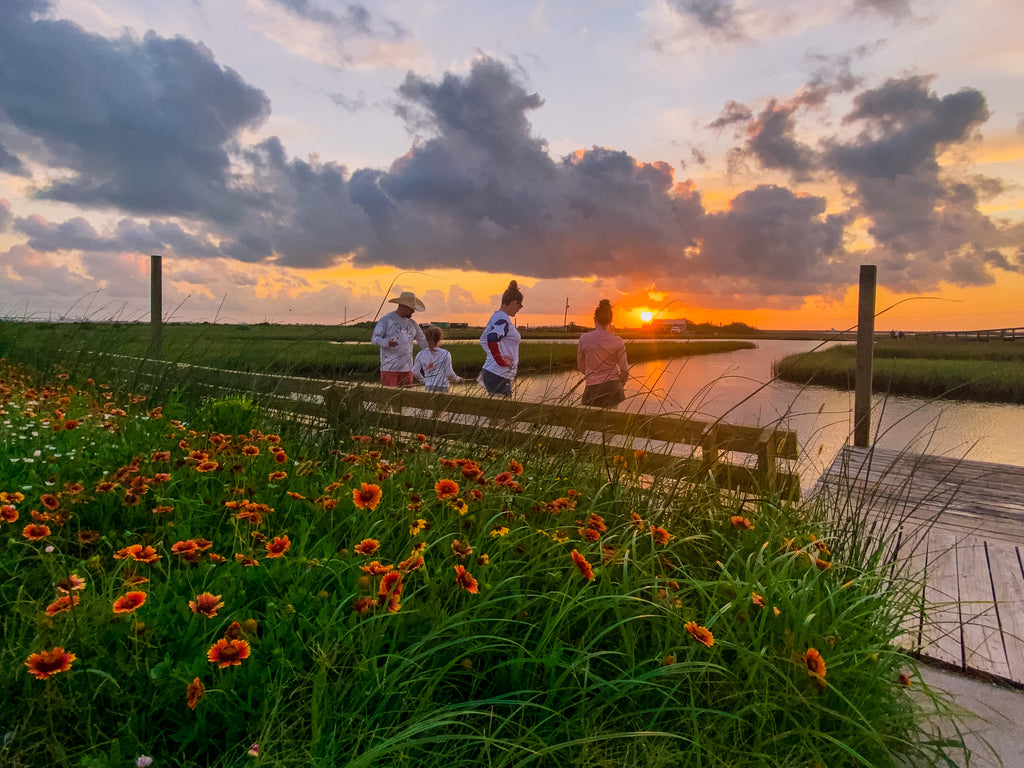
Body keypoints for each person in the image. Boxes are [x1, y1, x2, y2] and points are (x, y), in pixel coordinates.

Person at [577, 299, 629, 407]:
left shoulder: (584, 338)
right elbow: (624, 371)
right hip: (613, 388)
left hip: (592, 387)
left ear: (594, 319)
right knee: (610, 421)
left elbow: (581, 367)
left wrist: (593, 376)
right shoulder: (617, 341)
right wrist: (620, 384)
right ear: (611, 321)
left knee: (590, 422)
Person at [371, 291, 429, 387]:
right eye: (411, 308)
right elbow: (375, 338)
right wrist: (387, 343)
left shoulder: (413, 324)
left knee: (406, 399)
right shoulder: (386, 320)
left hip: (408, 369)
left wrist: (436, 352)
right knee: (388, 397)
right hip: (389, 369)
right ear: (403, 306)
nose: (413, 311)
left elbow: (423, 342)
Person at [478, 280, 523, 397]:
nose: (519, 309)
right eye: (520, 305)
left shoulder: (496, 316)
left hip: (495, 374)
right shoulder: (503, 319)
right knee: (502, 413)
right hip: (498, 374)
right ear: (514, 302)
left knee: (496, 413)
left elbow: (483, 340)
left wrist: (494, 357)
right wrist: (500, 360)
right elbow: (492, 338)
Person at [413, 326, 464, 393]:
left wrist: (425, 381)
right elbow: (449, 373)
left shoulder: (420, 354)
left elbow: (415, 372)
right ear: (440, 338)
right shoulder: (445, 353)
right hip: (443, 387)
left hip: (428, 387)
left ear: (427, 338)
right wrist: (458, 379)